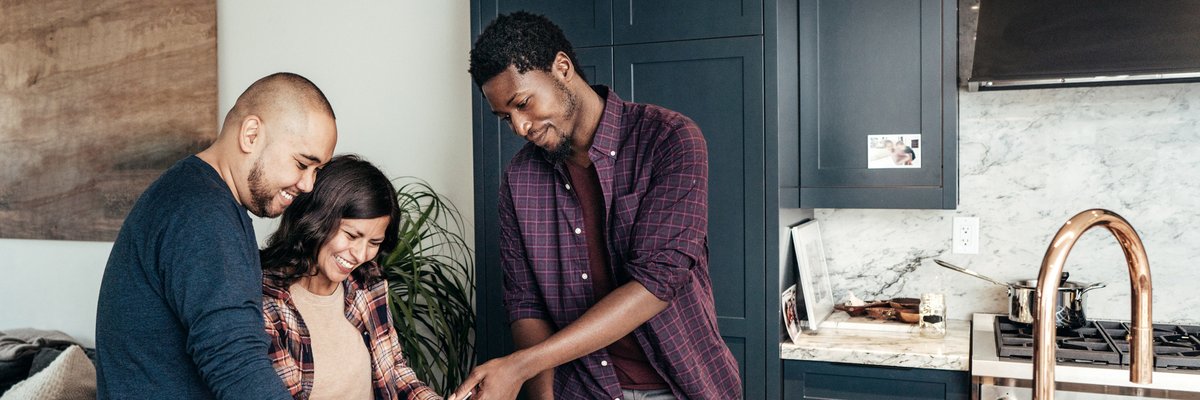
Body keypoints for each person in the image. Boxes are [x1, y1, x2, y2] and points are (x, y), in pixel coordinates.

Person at [452, 12, 740, 400]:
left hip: (683, 385)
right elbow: (526, 302)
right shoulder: (519, 179)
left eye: (522, 104)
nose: (519, 127)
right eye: (506, 117)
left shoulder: (670, 139)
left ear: (562, 68)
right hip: (583, 390)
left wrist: (521, 366)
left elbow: (657, 281)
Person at [95, 72, 337, 399]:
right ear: (251, 134)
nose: (308, 185)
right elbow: (235, 361)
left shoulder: (194, 193)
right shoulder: (203, 213)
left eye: (317, 171)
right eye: (301, 163)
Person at [259, 155, 440, 400]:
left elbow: (394, 370)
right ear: (317, 219)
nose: (360, 254)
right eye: (352, 235)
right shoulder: (266, 300)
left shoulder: (368, 284)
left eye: (374, 242)